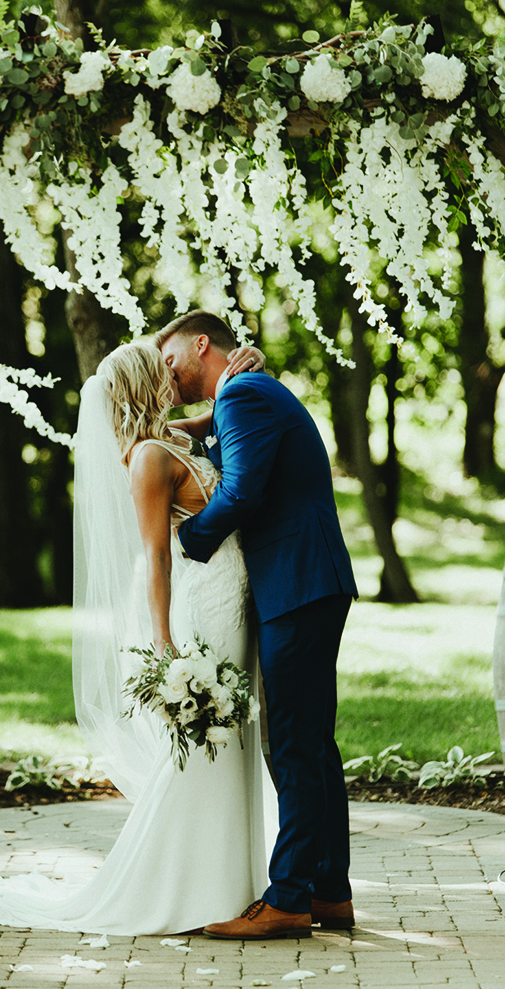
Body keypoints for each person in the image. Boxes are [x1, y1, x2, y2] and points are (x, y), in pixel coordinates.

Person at [0, 339, 278, 936]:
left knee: (236, 738)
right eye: (162, 370)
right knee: (209, 741)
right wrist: (163, 642)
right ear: (145, 384)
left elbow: (210, 423)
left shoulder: (173, 440)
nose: (174, 373)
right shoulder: (149, 459)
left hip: (233, 596)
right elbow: (155, 557)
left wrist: (236, 374)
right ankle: (182, 887)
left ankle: (237, 882)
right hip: (203, 606)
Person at [157, 310, 358, 940]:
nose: (167, 374)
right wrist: (173, 421)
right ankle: (330, 891)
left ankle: (290, 898)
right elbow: (222, 439)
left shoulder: (243, 391)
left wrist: (186, 539)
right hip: (309, 581)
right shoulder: (244, 394)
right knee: (313, 745)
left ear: (200, 344)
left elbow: (241, 492)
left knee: (294, 743)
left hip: (297, 585)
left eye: (170, 361)